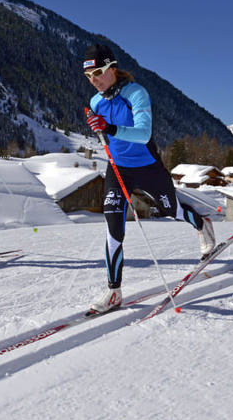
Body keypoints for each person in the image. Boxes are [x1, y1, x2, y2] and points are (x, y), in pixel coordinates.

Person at [82, 44, 215, 313]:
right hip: (117, 169)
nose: (94, 80)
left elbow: (142, 134)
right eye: (88, 76)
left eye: (97, 72)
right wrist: (99, 129)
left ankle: (202, 224)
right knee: (113, 226)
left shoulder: (136, 93)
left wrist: (108, 127)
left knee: (170, 209)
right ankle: (113, 292)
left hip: (147, 166)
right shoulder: (96, 102)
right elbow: (107, 135)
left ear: (112, 68)